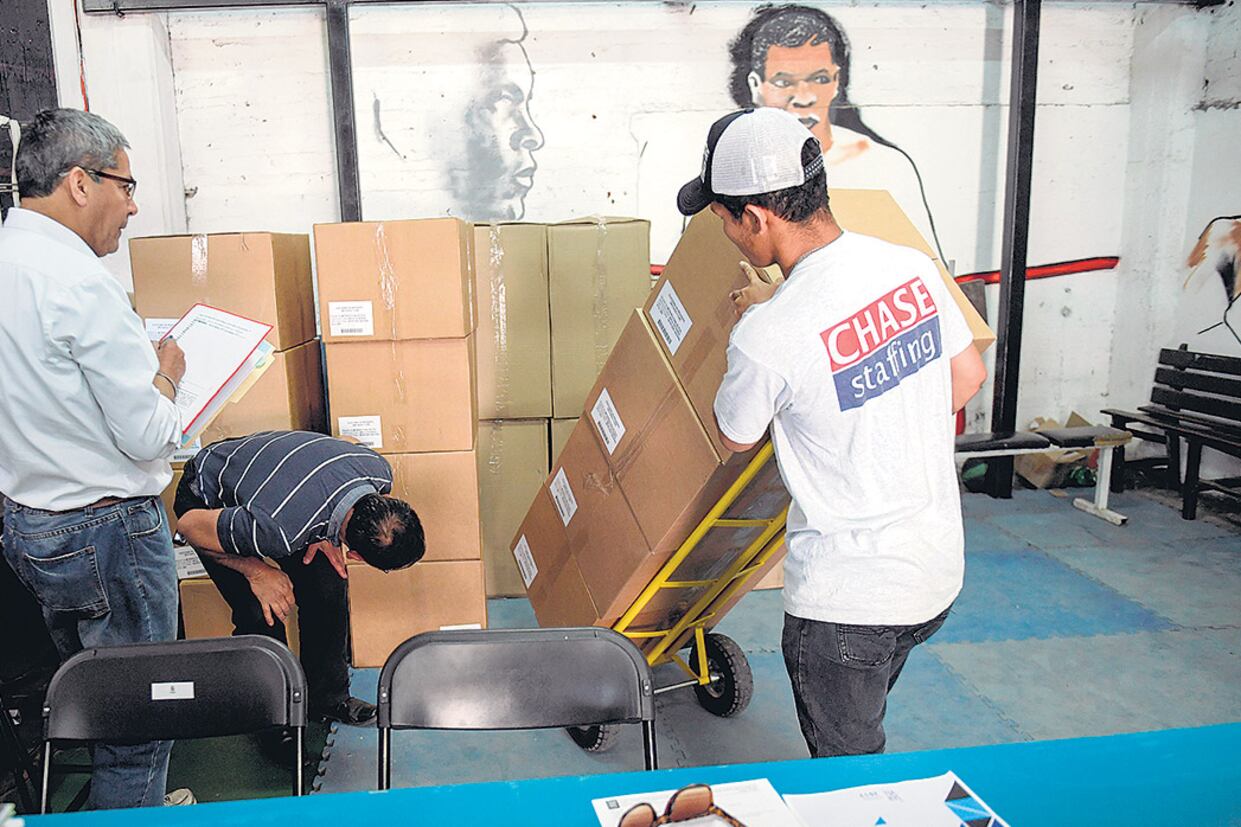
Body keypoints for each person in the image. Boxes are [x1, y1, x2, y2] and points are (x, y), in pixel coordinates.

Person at [676, 107, 987, 757]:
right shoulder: (908, 267)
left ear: (755, 217)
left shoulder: (768, 333)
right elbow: (967, 375)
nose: (727, 234)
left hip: (847, 602)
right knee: (863, 718)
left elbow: (734, 436)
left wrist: (758, 330)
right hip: (934, 572)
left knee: (849, 778)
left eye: (723, 218)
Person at [0, 108, 187, 809]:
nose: (133, 207)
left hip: (32, 525)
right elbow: (147, 435)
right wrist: (167, 375)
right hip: (108, 533)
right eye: (126, 186)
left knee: (92, 697)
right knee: (140, 719)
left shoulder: (8, 258)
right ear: (80, 183)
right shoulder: (79, 281)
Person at [173, 430, 425, 728]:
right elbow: (187, 527)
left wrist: (328, 530)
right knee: (262, 610)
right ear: (355, 555)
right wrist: (257, 571)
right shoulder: (279, 531)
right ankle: (271, 712)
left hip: (270, 487)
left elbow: (347, 444)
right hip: (208, 495)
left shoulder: (377, 470)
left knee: (328, 584)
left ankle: (327, 699)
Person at [728, 4, 941, 251]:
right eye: (784, 82)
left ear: (836, 82)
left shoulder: (885, 165)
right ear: (755, 85)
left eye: (819, 79)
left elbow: (924, 263)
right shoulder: (730, 167)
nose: (804, 97)